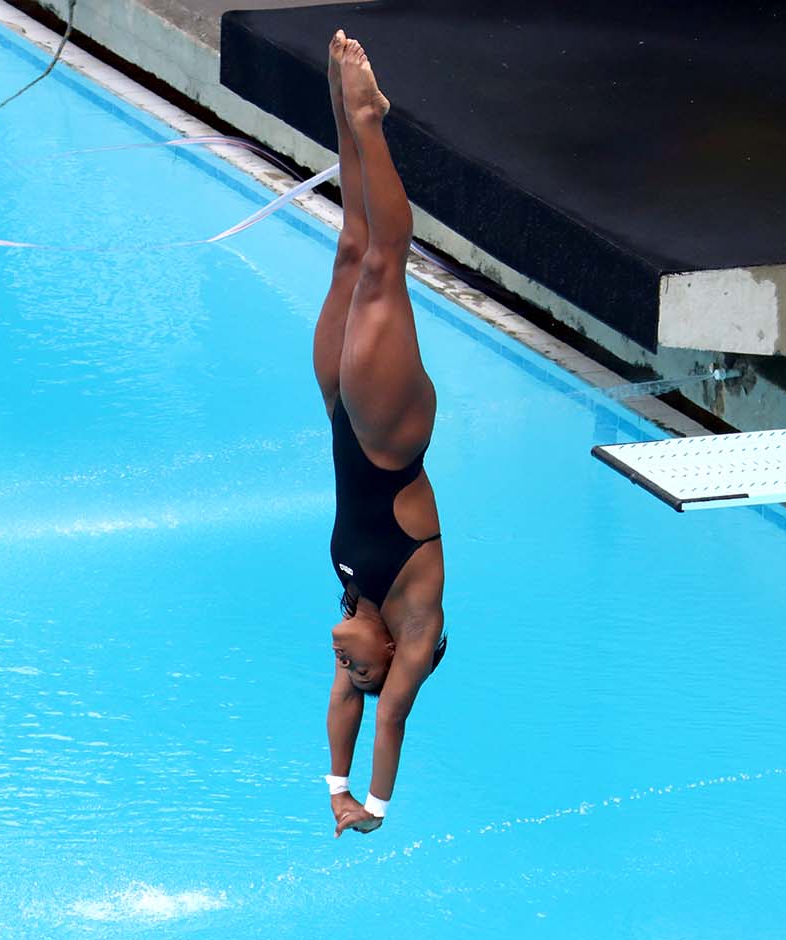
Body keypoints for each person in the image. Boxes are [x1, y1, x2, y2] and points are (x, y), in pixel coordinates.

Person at [315, 31, 446, 838]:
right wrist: (371, 808)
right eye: (358, 666)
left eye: (346, 667)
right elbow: (387, 717)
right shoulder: (416, 625)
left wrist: (333, 787)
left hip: (341, 416)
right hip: (389, 435)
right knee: (383, 264)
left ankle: (341, 104)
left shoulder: (356, 604)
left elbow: (345, 703)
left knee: (349, 250)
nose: (343, 662)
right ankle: (370, 119)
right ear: (393, 656)